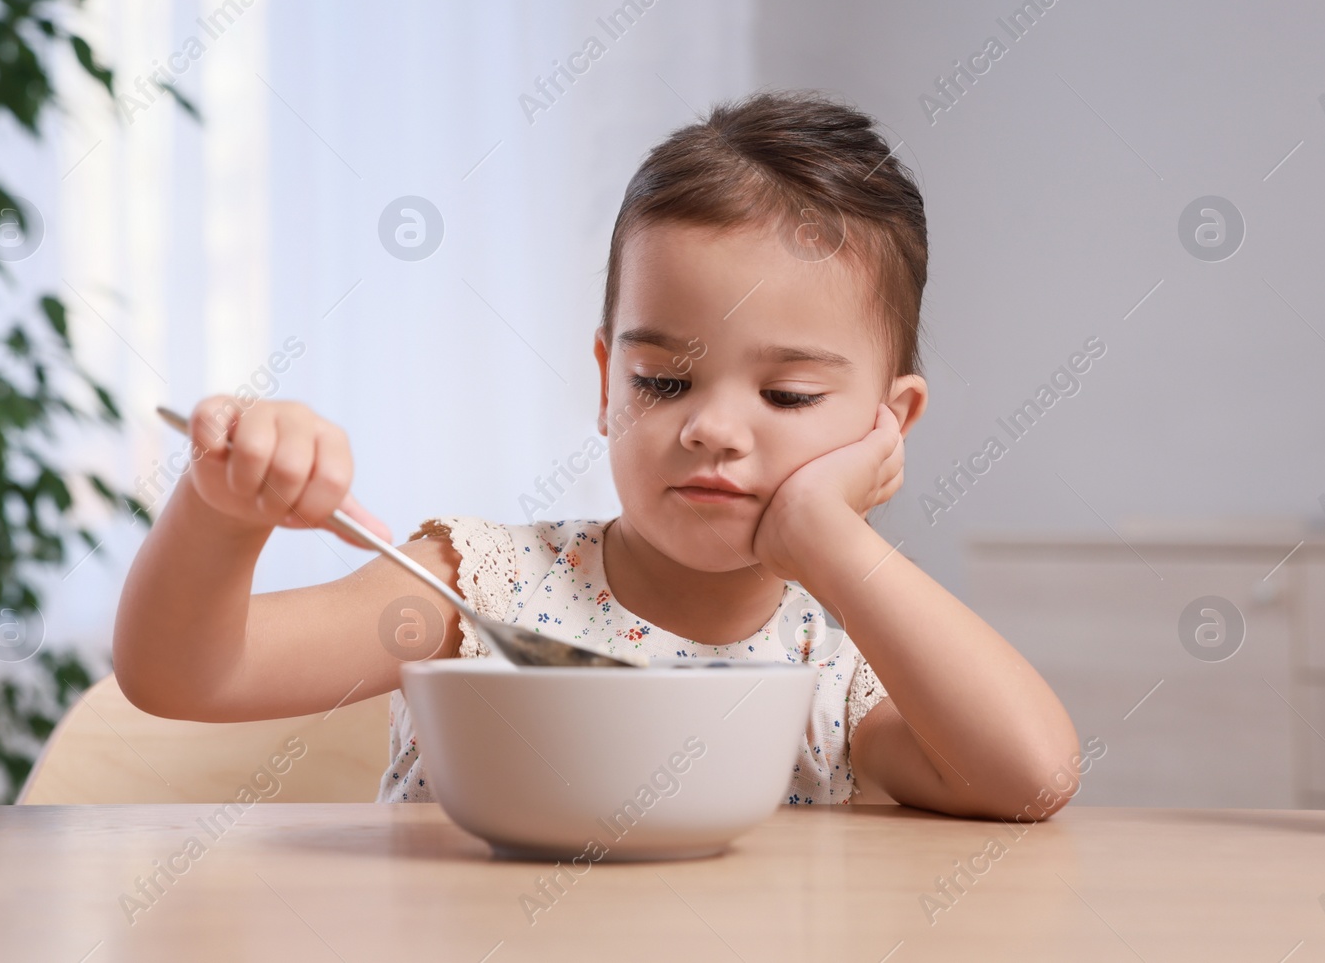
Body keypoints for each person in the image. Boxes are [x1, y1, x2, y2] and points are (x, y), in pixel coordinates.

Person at [113, 89, 1080, 818]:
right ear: (606, 381)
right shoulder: (481, 588)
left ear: (888, 423)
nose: (712, 428)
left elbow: (1030, 777)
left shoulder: (831, 670)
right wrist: (221, 510)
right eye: (662, 381)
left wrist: (830, 535)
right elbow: (184, 675)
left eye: (786, 394)